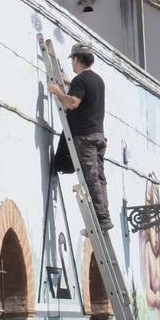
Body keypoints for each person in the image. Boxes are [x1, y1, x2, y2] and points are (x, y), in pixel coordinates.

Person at [48, 43, 112, 229]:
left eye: (72, 60)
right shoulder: (98, 80)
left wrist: (57, 91)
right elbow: (84, 95)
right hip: (98, 136)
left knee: (91, 178)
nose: (72, 64)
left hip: (85, 137)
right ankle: (104, 214)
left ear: (76, 59)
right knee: (99, 178)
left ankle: (101, 218)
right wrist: (69, 84)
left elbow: (73, 103)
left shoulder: (80, 80)